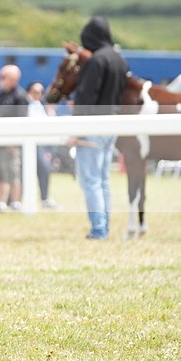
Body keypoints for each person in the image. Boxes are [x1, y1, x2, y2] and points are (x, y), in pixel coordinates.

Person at [72, 16, 127, 239]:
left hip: (93, 125)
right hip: (112, 125)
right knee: (103, 179)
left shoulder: (96, 61)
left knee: (90, 179)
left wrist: (76, 129)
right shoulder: (119, 60)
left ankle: (98, 228)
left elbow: (86, 97)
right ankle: (104, 225)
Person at [0, 65, 28, 211]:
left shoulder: (20, 96)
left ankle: (16, 201)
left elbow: (22, 120)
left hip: (11, 144)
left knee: (13, 173)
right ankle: (1, 202)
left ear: (13, 79)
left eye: (4, 77)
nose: (1, 80)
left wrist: (14, 141)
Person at [26, 81, 57, 209]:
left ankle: (44, 198)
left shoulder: (41, 106)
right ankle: (13, 200)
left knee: (45, 170)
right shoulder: (25, 104)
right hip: (29, 143)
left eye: (41, 92)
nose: (39, 94)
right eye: (36, 91)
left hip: (41, 145)